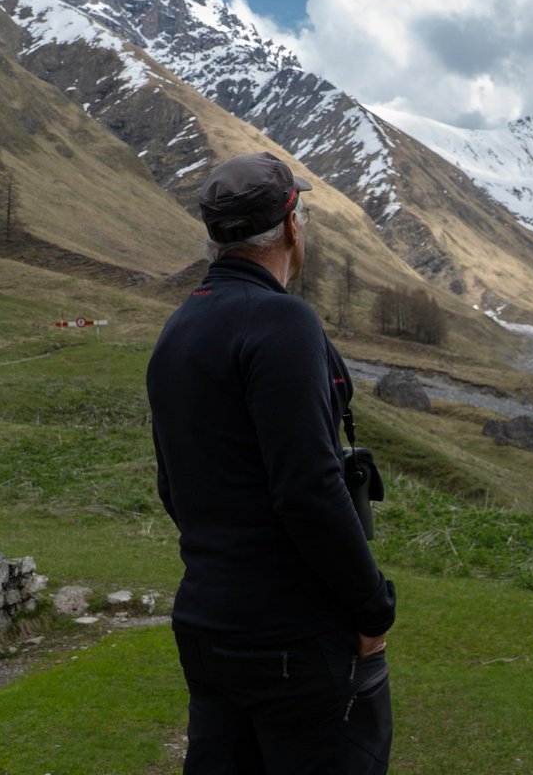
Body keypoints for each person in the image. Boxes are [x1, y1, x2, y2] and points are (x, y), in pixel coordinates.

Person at [146, 152, 396, 774]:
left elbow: (172, 487)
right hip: (291, 635)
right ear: (292, 226)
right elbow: (309, 489)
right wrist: (372, 611)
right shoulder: (283, 321)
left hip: (206, 622)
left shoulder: (181, 326)